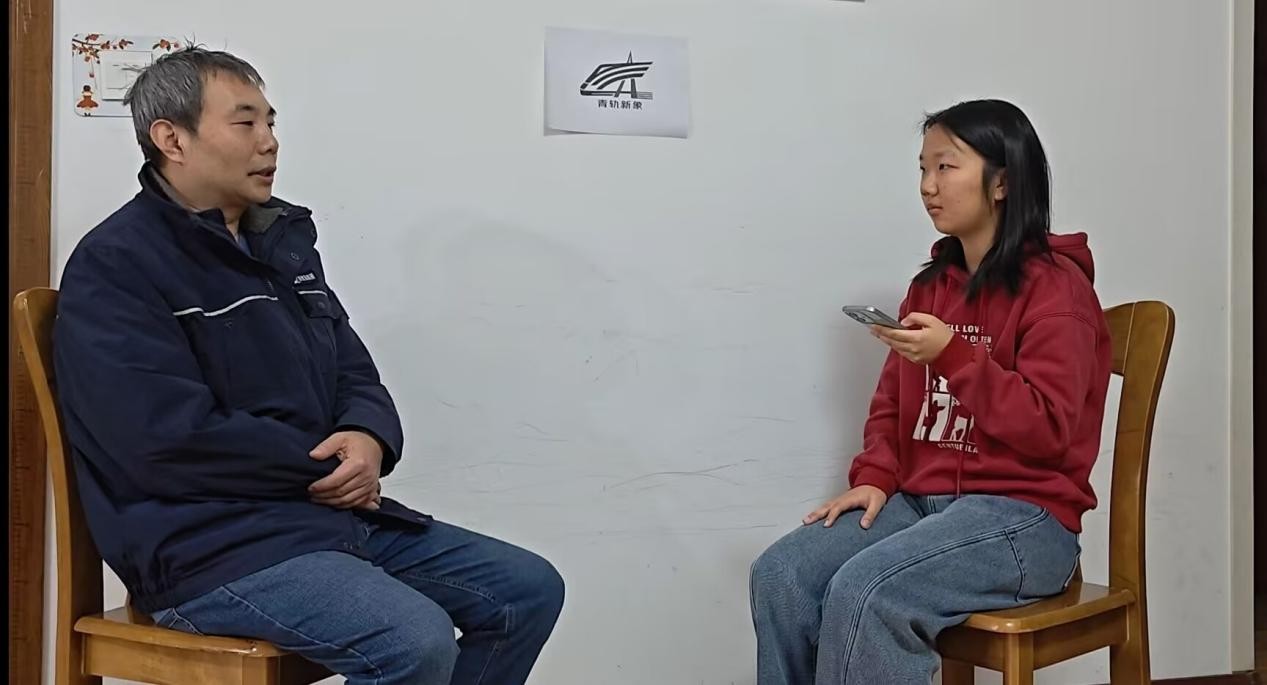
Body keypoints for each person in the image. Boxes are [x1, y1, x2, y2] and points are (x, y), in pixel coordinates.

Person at [54, 47, 564, 685]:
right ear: (172, 139)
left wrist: (368, 439)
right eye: (245, 123)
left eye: (271, 122)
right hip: (208, 548)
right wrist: (326, 466)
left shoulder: (280, 244)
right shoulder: (117, 263)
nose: (269, 142)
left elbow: (352, 369)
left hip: (321, 519)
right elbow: (159, 437)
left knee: (527, 590)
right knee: (415, 639)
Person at [749, 99, 1112, 684]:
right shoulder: (930, 289)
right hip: (922, 505)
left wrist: (954, 355)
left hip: (1027, 519)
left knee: (868, 591)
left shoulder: (1058, 291)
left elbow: (1048, 431)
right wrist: (874, 476)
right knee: (782, 576)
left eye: (946, 167)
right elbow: (893, 404)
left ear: (1002, 182)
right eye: (922, 168)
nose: (927, 186)